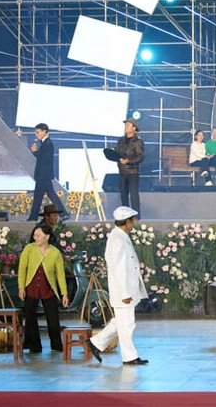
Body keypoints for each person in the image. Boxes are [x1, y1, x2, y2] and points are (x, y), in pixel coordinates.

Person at [86, 206, 149, 365]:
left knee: (120, 322)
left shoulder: (120, 237)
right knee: (126, 324)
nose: (133, 224)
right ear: (127, 222)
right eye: (132, 221)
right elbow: (119, 269)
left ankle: (96, 343)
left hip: (126, 290)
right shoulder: (117, 240)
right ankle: (129, 357)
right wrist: (125, 293)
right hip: (123, 291)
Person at [18, 224, 68, 353]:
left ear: (47, 237)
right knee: (30, 317)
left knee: (53, 319)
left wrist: (64, 294)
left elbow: (60, 275)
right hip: (31, 287)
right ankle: (34, 346)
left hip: (48, 289)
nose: (36, 238)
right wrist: (21, 287)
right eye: (34, 235)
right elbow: (22, 269)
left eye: (38, 235)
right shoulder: (29, 249)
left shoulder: (55, 252)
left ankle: (57, 346)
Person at [27, 123, 67, 221]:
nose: (36, 135)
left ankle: (33, 217)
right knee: (42, 196)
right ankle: (63, 214)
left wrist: (35, 152)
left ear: (44, 131)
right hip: (43, 176)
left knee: (42, 197)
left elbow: (44, 159)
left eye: (38, 132)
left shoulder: (48, 143)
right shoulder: (45, 143)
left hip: (43, 176)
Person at [115, 119, 144, 216]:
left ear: (134, 128)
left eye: (128, 125)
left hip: (132, 171)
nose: (125, 127)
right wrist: (118, 159)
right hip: (122, 170)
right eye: (125, 125)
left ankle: (136, 216)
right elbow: (117, 152)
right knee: (123, 194)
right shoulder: (121, 140)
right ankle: (125, 216)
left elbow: (140, 157)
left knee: (133, 195)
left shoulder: (138, 142)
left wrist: (128, 161)